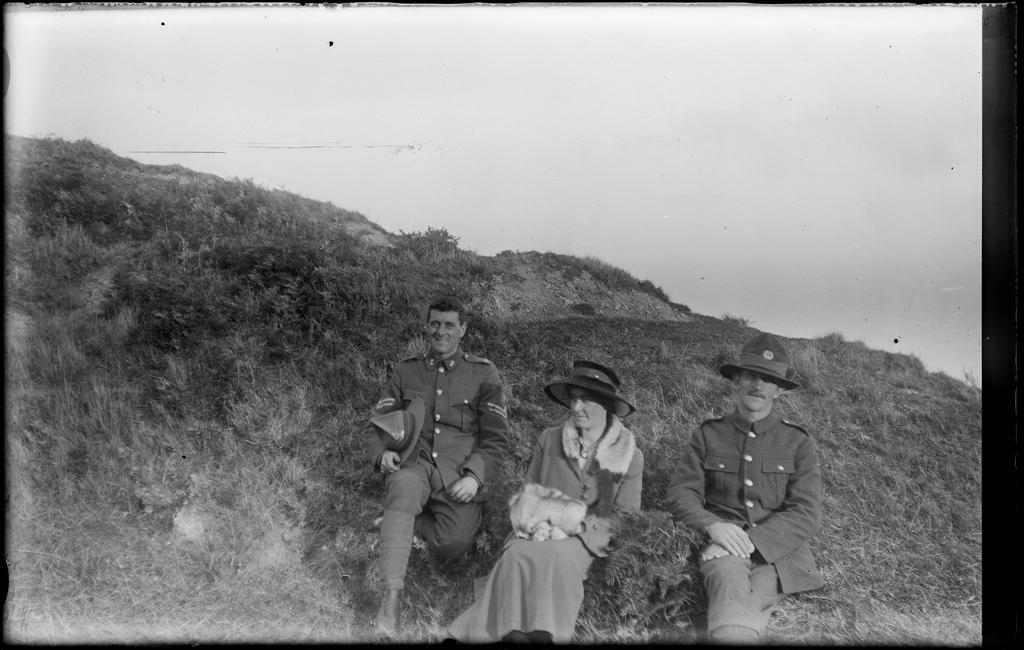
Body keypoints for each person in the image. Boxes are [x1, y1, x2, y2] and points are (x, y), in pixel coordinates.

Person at [446, 360, 644, 643]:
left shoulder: (630, 455)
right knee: (516, 556)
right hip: (539, 528)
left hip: (588, 538)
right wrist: (543, 524)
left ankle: (544, 634)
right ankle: (512, 633)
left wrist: (575, 527)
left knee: (557, 558)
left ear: (607, 406)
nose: (577, 407)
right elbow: (529, 494)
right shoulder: (550, 439)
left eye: (586, 400)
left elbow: (627, 517)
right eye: (574, 398)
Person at [364, 296, 511, 637]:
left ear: (463, 329)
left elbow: (497, 438)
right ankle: (390, 601)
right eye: (434, 324)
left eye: (449, 325)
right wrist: (381, 454)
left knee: (453, 543)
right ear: (426, 326)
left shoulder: (483, 373)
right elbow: (379, 421)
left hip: (456, 472)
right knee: (403, 486)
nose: (440, 332)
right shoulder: (407, 370)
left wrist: (475, 477)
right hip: (414, 463)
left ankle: (398, 522)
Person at [666, 333, 824, 644]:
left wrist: (749, 541)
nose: (758, 385)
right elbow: (682, 494)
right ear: (737, 380)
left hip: (780, 552)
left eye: (768, 379)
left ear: (779, 390)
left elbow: (806, 511)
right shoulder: (708, 434)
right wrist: (713, 527)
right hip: (723, 544)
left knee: (743, 602)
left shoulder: (798, 442)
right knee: (728, 580)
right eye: (751, 375)